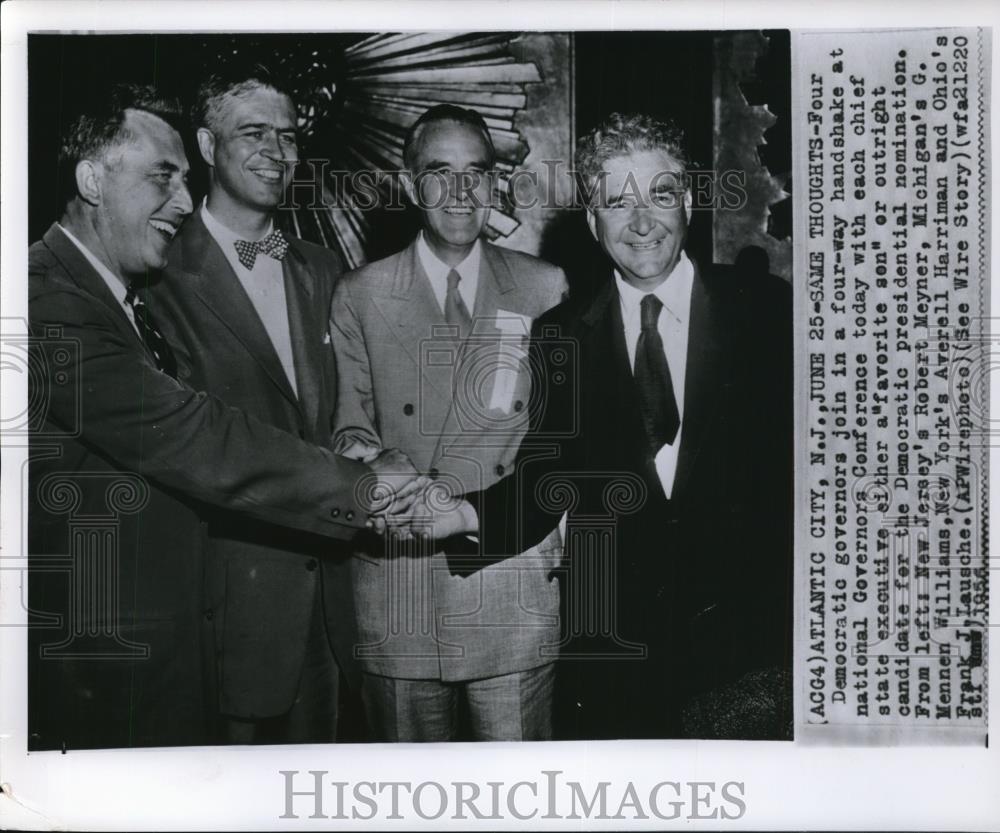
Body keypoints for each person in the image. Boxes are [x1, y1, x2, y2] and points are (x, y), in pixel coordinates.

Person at [27, 84, 412, 750]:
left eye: (288, 135)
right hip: (171, 632)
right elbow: (192, 432)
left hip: (298, 610)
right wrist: (363, 487)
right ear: (94, 179)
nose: (179, 199)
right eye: (162, 177)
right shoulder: (83, 289)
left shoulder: (322, 269)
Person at [417, 112, 793, 740]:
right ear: (593, 222)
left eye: (661, 195)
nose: (642, 221)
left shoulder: (765, 312)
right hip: (619, 658)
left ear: (691, 203)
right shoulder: (560, 335)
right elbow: (548, 477)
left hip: (751, 652)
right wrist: (461, 516)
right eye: (617, 202)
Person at [146, 68, 405, 744]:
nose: (276, 151)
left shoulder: (320, 267)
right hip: (223, 603)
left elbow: (345, 408)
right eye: (253, 133)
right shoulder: (157, 271)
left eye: (287, 136)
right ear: (206, 144)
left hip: (329, 602)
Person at [330, 104, 567, 741]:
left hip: (508, 586)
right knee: (408, 799)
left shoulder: (547, 287)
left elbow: (560, 447)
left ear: (495, 185)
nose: (461, 193)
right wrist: (369, 462)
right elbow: (347, 424)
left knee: (523, 799)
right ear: (412, 186)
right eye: (440, 174)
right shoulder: (360, 292)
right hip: (401, 583)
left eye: (477, 173)